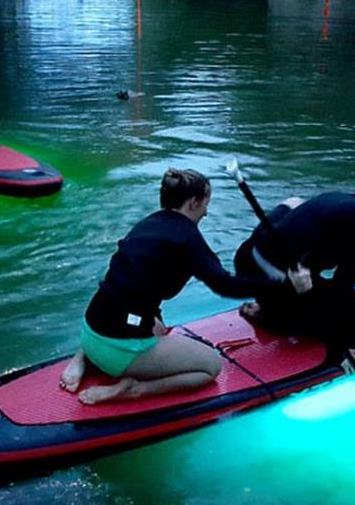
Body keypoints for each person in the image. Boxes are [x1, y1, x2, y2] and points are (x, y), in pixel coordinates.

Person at [60, 169, 311, 405]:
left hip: (90, 329)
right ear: (192, 202)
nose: (206, 212)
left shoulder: (149, 223)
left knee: (158, 325)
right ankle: (133, 389)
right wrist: (284, 283)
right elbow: (225, 285)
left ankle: (82, 357)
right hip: (117, 349)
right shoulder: (187, 238)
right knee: (210, 367)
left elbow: (129, 280)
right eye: (205, 203)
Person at [234, 171, 355, 362]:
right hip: (278, 282)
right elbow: (340, 293)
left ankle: (270, 311)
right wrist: (338, 349)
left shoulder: (331, 199)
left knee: (305, 287)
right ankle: (277, 319)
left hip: (245, 264)